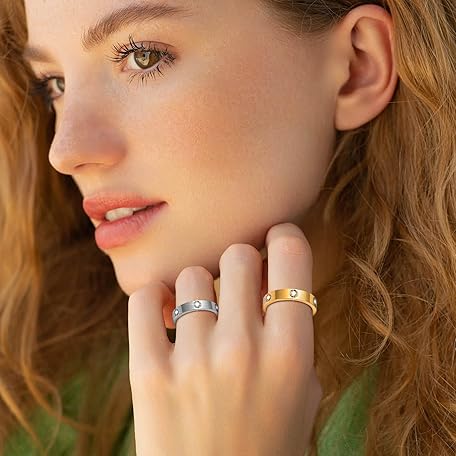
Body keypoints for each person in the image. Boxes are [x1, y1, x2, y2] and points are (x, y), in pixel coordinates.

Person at [0, 0, 454, 454]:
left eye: (143, 56)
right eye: (55, 84)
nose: (65, 152)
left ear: (358, 67)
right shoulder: (44, 412)